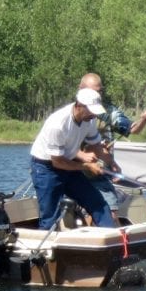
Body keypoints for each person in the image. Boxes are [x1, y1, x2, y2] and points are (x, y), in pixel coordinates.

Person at [29, 87, 119, 230]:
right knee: (50, 215)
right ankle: (44, 250)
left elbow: (96, 145)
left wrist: (112, 163)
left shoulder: (89, 120)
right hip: (46, 168)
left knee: (96, 202)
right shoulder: (58, 124)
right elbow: (57, 162)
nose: (93, 115)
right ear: (79, 105)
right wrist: (87, 166)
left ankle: (112, 238)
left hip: (69, 165)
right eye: (90, 110)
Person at [78, 72, 146, 224]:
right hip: (74, 170)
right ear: (81, 89)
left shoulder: (109, 112)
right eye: (94, 91)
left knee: (110, 214)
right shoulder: (73, 110)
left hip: (100, 173)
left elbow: (132, 130)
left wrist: (144, 119)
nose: (98, 94)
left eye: (100, 91)